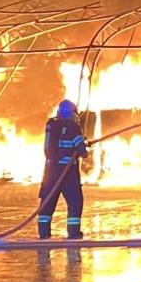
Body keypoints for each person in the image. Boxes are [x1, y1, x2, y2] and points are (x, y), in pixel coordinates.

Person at [38, 98, 88, 240]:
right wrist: (84, 148)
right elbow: (81, 151)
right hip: (68, 174)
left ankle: (43, 234)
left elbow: (47, 149)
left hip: (50, 172)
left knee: (47, 203)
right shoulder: (73, 127)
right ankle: (73, 234)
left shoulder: (51, 125)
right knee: (75, 202)